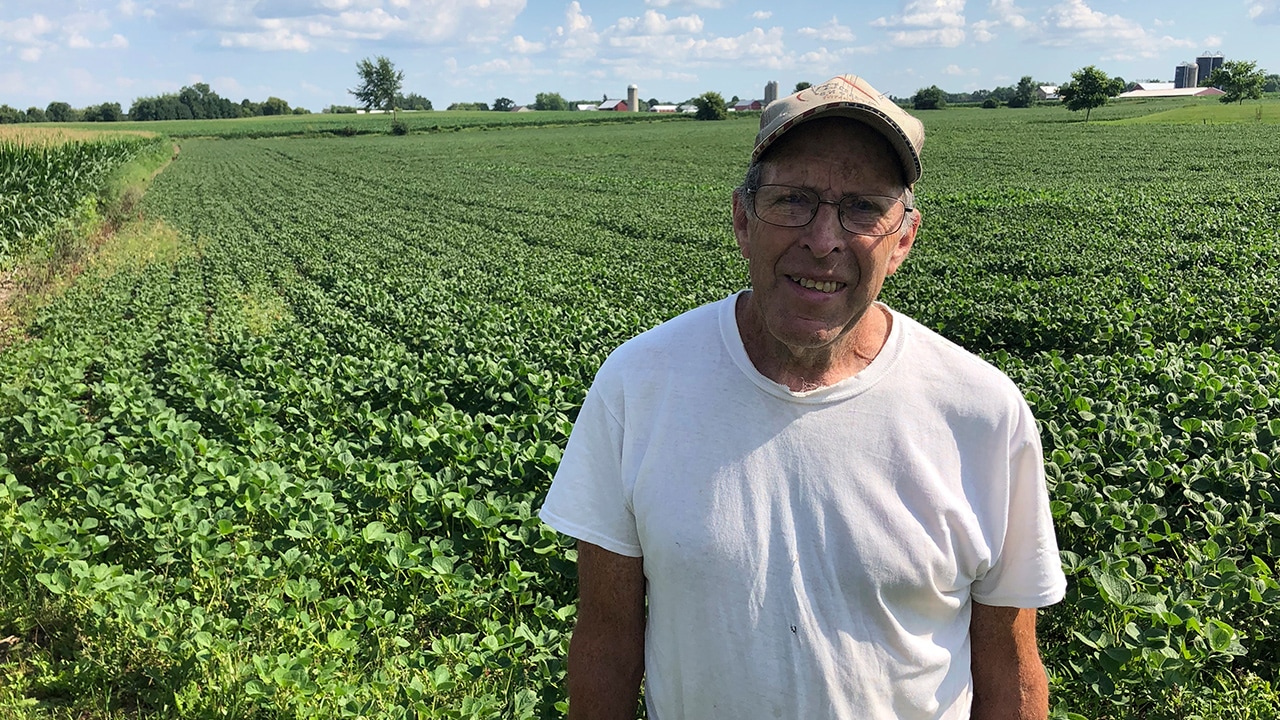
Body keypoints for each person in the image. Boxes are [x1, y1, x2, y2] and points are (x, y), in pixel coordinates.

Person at [539, 74, 1067, 720]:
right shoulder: (639, 384)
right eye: (793, 200)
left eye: (863, 208)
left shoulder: (982, 411)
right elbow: (606, 640)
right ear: (741, 219)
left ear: (903, 240)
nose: (823, 240)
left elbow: (1008, 663)